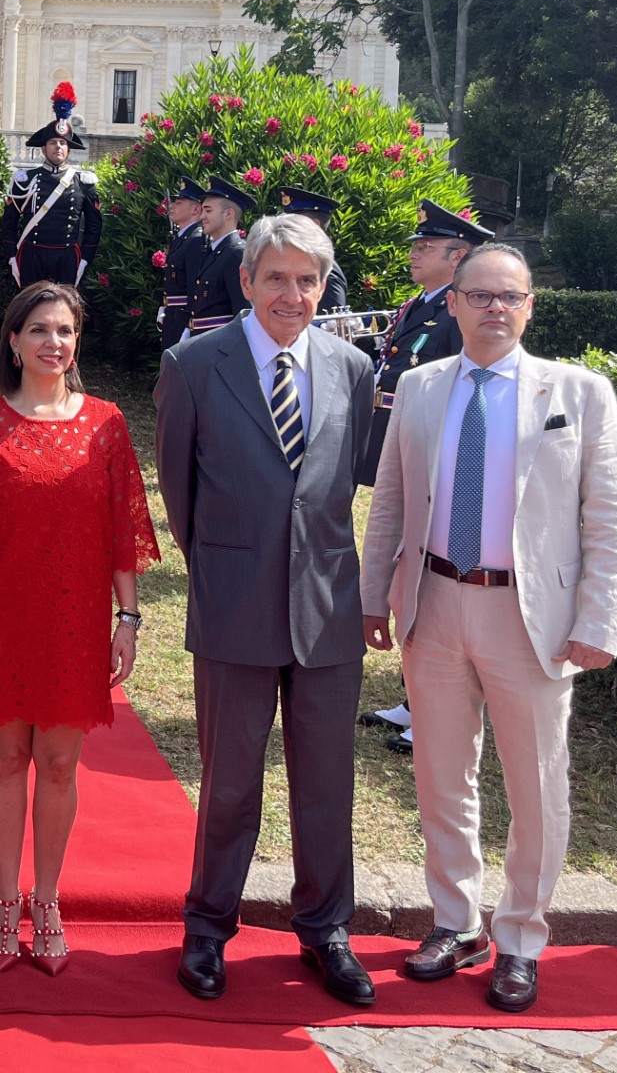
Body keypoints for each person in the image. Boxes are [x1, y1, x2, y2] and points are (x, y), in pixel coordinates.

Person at [362, 244, 617, 1014]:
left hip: (533, 619)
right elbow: (390, 499)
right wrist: (370, 595)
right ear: (451, 303)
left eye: (508, 296)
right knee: (441, 776)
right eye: (478, 295)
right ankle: (458, 922)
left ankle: (519, 936)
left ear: (530, 305)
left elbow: (610, 518)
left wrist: (598, 620)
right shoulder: (418, 388)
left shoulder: (579, 393)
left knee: (536, 784)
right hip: (436, 603)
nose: (493, 308)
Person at [153, 213, 377, 1008]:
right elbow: (180, 494)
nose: (292, 294)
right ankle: (208, 927)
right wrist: (227, 567)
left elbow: (344, 478)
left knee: (326, 783)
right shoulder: (193, 365)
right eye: (276, 277)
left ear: (323, 288)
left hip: (327, 611)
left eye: (307, 280)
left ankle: (325, 931)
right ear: (246, 281)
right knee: (231, 783)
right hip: (233, 605)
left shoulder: (352, 367)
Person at [0, 282, 159, 975]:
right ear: (13, 340)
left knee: (60, 763)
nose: (52, 343)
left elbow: (125, 534)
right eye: (38, 330)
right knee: (7, 759)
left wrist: (128, 619)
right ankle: (4, 898)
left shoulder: (108, 423)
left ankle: (48, 898)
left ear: (76, 340)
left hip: (75, 621)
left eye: (63, 331)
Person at [355, 200, 493, 752]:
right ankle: (415, 698)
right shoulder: (422, 305)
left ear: (457, 256)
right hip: (404, 446)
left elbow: (467, 390)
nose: (413, 254)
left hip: (442, 459)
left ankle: (439, 710)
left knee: (443, 584)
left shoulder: (459, 311)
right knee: (410, 575)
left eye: (425, 247)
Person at [0, 83, 101, 288]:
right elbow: (8, 222)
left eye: (63, 143)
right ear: (44, 149)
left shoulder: (83, 183)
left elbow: (94, 225)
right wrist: (12, 256)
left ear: (69, 150)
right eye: (53, 143)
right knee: (30, 311)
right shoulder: (25, 180)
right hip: (31, 255)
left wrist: (84, 259)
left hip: (67, 257)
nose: (58, 147)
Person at [182, 174, 253, 339]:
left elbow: (243, 314)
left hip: (222, 347)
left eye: (208, 210)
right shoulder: (215, 251)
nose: (201, 217)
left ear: (228, 214)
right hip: (205, 343)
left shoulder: (236, 253)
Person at [277, 187, 350, 316]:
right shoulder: (309, 264)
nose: (284, 227)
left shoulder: (327, 273)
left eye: (292, 222)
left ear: (314, 225)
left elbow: (331, 325)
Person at [158, 180, 209, 352]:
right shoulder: (183, 238)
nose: (171, 206)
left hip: (182, 318)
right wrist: (163, 306)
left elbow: (194, 288)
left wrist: (189, 325)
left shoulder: (195, 239)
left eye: (178, 203)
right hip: (173, 314)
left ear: (195, 209)